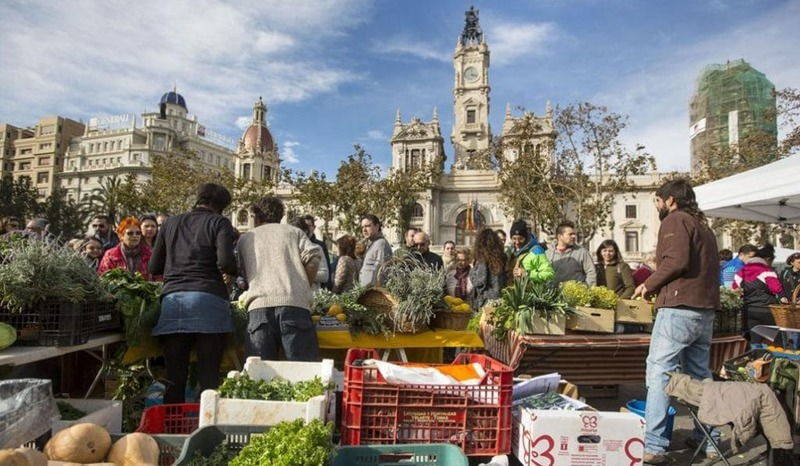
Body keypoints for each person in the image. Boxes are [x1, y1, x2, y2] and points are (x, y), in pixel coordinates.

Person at [632, 179, 720, 464]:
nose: (657, 206)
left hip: (679, 308)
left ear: (670, 200)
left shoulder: (675, 220)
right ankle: (710, 439)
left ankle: (655, 445)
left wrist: (649, 285)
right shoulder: (704, 227)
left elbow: (676, 261)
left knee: (660, 373)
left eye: (658, 201)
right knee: (698, 375)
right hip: (704, 311)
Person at [148, 183, 238, 404]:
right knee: (208, 377)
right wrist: (234, 272)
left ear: (199, 199)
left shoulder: (170, 223)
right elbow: (226, 262)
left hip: (173, 303)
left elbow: (153, 267)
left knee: (174, 376)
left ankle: (170, 429)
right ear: (222, 207)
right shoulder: (219, 222)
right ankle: (205, 428)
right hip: (209, 302)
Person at [237, 196, 321, 361]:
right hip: (295, 306)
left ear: (257, 216)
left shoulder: (246, 238)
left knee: (260, 375)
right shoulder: (294, 232)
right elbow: (313, 258)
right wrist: (303, 285)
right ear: (281, 215)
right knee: (302, 374)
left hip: (258, 308)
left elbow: (243, 270)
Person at [733, 244, 783, 333]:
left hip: (748, 309)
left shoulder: (741, 271)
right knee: (770, 340)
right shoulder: (767, 270)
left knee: (753, 340)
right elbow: (776, 289)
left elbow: (735, 289)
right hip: (766, 309)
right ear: (767, 259)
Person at [545, 221, 596, 286]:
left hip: (576, 294)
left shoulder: (582, 252)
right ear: (560, 236)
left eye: (574, 234)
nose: (574, 236)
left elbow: (591, 272)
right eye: (570, 234)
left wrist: (588, 289)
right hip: (553, 294)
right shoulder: (547, 254)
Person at [470, 228, 507, 310]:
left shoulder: (483, 259)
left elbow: (479, 282)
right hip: (499, 299)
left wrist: (472, 271)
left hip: (486, 301)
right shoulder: (502, 257)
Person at [509, 220, 554, 284]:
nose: (517, 242)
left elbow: (549, 274)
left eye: (521, 239)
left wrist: (527, 274)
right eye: (514, 238)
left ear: (526, 237)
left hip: (531, 292)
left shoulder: (537, 251)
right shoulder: (512, 251)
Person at [291, 217, 329, 293]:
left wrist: (305, 273)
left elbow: (325, 275)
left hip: (311, 296)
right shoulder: (288, 249)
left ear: (305, 232)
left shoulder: (316, 248)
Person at [358, 214, 393, 287]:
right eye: (362, 227)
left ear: (377, 227)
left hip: (373, 293)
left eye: (367, 226)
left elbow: (382, 270)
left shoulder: (381, 244)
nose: (364, 230)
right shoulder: (370, 244)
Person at [303, 215, 332, 290]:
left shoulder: (320, 246)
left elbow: (326, 271)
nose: (307, 229)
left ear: (314, 227)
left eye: (309, 226)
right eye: (305, 226)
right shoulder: (295, 244)